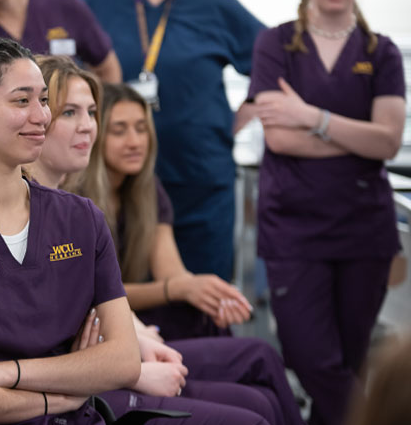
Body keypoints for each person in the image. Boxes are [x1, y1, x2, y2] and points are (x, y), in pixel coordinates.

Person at [0, 36, 269, 425]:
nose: (41, 116)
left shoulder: (81, 219)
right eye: (21, 101)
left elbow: (122, 361)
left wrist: (5, 373)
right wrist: (60, 397)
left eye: (44, 100)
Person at [27, 56, 304, 425]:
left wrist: (187, 301)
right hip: (88, 377)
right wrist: (135, 364)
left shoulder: (84, 209)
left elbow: (111, 297)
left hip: (112, 355)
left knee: (259, 394)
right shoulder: (38, 211)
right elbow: (65, 326)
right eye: (70, 113)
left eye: (91, 113)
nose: (87, 126)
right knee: (254, 408)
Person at [248, 0, 406, 425]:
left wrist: (310, 116)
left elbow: (387, 142)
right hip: (294, 227)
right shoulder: (276, 44)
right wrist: (357, 137)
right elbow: (280, 139)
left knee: (348, 361)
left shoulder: (382, 52)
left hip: (363, 228)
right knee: (311, 357)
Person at [79, 0, 264, 280]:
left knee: (204, 293)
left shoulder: (216, 7)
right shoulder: (95, 3)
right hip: (116, 185)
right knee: (117, 293)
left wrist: (237, 119)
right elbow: (59, 74)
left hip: (199, 182)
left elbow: (275, 62)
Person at [73, 82, 251, 341]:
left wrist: (210, 295)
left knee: (207, 320)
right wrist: (179, 288)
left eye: (141, 129)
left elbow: (171, 273)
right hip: (96, 324)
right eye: (119, 131)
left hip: (139, 315)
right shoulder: (73, 199)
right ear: (95, 136)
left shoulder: (149, 191)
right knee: (255, 353)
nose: (135, 142)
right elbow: (94, 295)